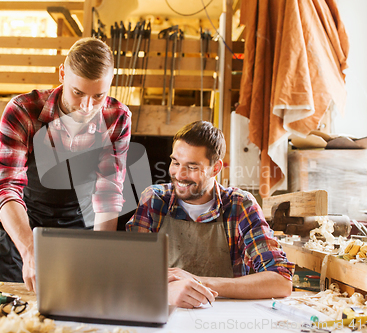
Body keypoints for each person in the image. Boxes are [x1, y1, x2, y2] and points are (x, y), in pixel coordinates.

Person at [0, 37, 131, 291]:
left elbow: (108, 194)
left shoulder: (117, 118)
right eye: (78, 93)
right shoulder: (23, 111)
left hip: (80, 234)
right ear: (62, 74)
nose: (87, 107)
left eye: (98, 96)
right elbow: (7, 188)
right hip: (23, 230)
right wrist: (30, 251)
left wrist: (100, 255)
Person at [126, 121, 294, 308]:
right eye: (175, 162)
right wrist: (163, 291)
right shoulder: (154, 200)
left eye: (192, 167)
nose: (179, 175)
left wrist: (196, 282)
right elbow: (130, 272)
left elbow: (281, 281)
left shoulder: (240, 205)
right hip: (167, 314)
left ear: (216, 168)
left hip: (225, 316)